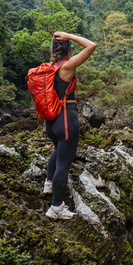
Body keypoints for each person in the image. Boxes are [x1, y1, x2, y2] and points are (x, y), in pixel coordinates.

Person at [43, 32, 96, 220]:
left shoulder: (48, 68)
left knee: (58, 150)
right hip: (66, 119)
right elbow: (91, 46)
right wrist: (70, 35)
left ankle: (49, 183)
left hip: (51, 122)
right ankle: (56, 206)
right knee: (64, 163)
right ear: (70, 50)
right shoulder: (67, 67)